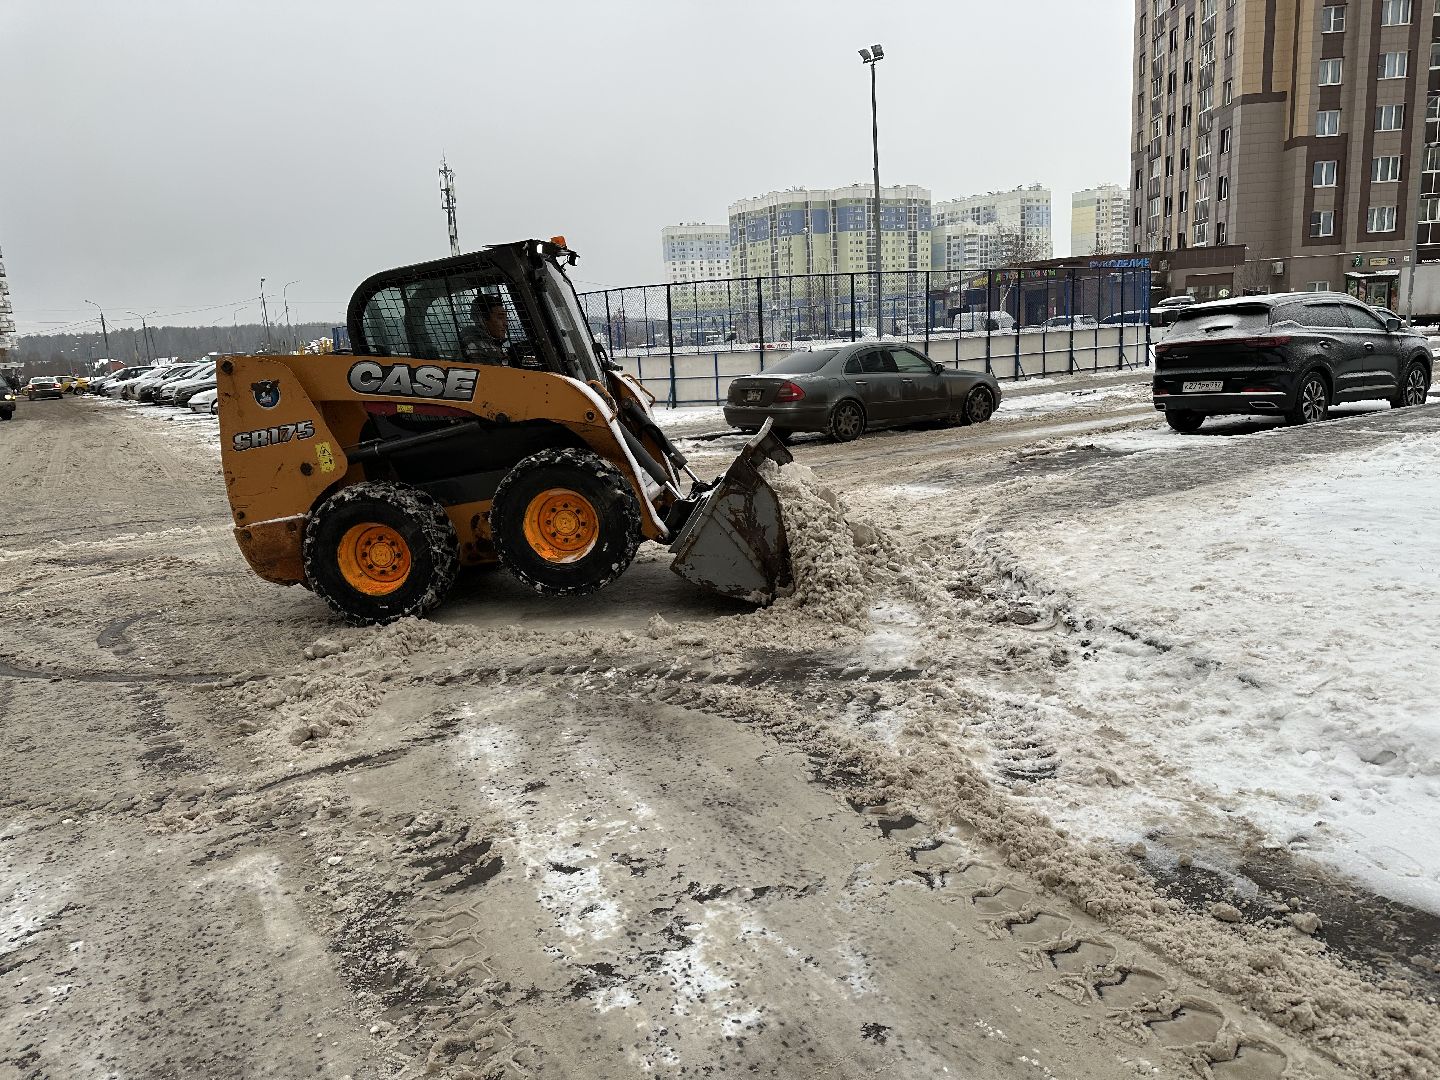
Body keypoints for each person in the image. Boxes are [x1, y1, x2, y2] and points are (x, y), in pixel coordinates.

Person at [460, 293, 511, 365]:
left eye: (506, 318)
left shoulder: (491, 343)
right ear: (482, 320)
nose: (506, 323)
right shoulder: (473, 346)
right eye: (500, 318)